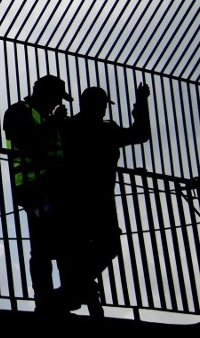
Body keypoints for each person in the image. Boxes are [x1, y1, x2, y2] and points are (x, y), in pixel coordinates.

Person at [57, 83, 152, 317]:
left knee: (91, 249)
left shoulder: (71, 127)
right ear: (93, 105)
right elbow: (140, 134)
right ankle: (79, 293)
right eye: (101, 106)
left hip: (82, 199)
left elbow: (140, 135)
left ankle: (73, 290)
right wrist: (140, 103)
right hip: (85, 199)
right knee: (97, 247)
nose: (104, 111)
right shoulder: (95, 130)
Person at [2, 74, 72, 313]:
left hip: (54, 187)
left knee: (62, 245)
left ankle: (61, 296)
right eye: (54, 97)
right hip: (34, 186)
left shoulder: (45, 116)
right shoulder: (18, 112)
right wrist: (53, 124)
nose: (55, 103)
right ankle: (45, 298)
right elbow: (27, 140)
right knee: (43, 247)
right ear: (43, 92)